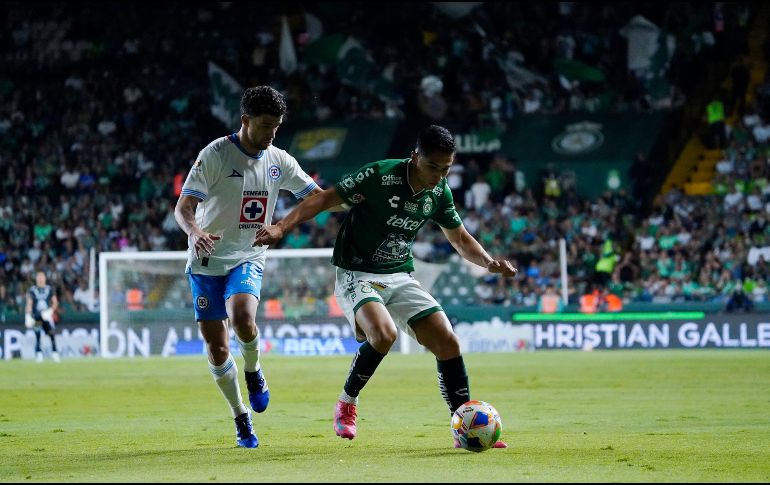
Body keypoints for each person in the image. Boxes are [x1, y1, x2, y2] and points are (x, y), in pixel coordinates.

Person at [253, 125, 518, 449]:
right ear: (414, 157)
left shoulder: (439, 192)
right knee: (384, 334)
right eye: (433, 167)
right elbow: (324, 200)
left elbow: (460, 239)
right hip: (357, 272)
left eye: (446, 169)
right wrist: (281, 226)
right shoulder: (380, 175)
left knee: (448, 342)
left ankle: (463, 426)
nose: (438, 176)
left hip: (399, 275)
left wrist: (489, 263)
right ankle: (347, 403)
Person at [174, 85, 337, 448]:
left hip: (248, 255)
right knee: (217, 349)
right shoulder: (215, 154)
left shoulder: (280, 160)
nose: (271, 134)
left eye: (276, 127)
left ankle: (254, 370)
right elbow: (183, 208)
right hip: (205, 261)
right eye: (265, 126)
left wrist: (284, 225)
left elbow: (318, 199)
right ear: (245, 120)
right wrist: (196, 230)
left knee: (244, 318)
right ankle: (240, 417)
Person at [25, 271, 60, 363]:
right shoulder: (32, 290)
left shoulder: (49, 289)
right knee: (38, 334)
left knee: (51, 334)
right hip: (37, 317)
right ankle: (39, 354)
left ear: (45, 278)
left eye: (42, 277)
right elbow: (29, 303)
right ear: (36, 279)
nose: (40, 279)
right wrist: (28, 315)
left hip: (47, 316)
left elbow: (55, 302)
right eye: (38, 277)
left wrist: (50, 311)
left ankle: (55, 352)